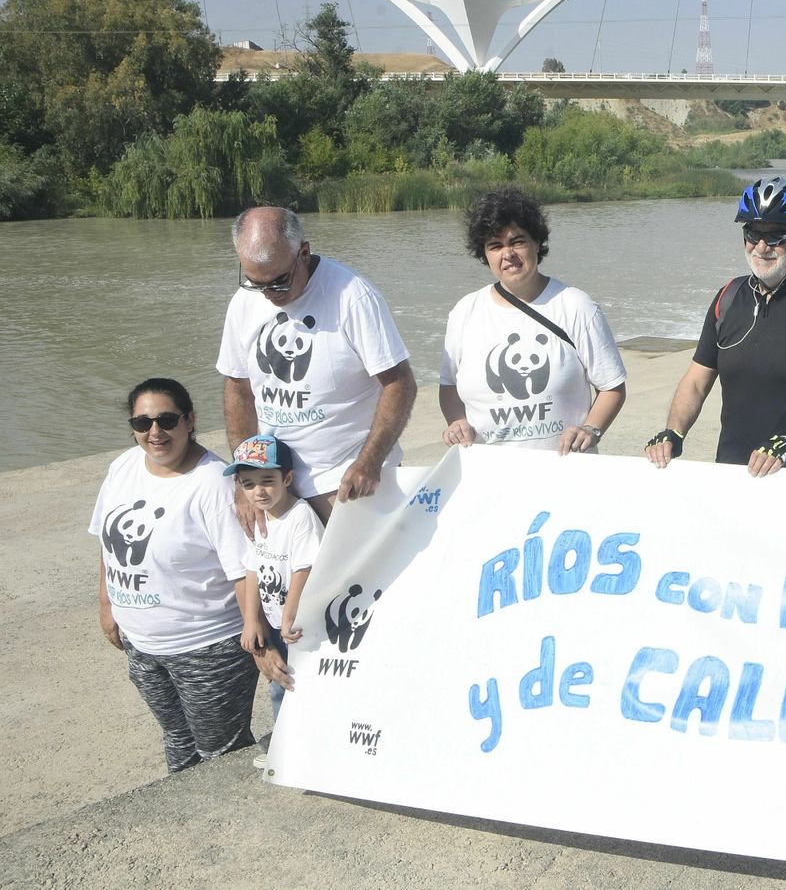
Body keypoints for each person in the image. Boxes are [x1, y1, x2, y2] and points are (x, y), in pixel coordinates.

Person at [90, 378, 259, 773]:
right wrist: (106, 603)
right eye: (142, 422)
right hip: (142, 643)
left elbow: (243, 571)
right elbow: (106, 540)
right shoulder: (123, 466)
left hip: (206, 647)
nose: (154, 432)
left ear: (189, 420)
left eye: (166, 420)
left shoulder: (214, 482)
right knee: (179, 741)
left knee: (221, 755)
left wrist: (256, 636)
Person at [645, 176, 786, 475]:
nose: (762, 246)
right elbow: (696, 382)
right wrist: (674, 431)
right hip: (732, 477)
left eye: (776, 236)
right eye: (753, 233)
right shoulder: (728, 297)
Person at [218, 207, 417, 529]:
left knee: (355, 578)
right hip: (274, 482)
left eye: (279, 282)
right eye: (256, 283)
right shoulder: (244, 301)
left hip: (343, 482)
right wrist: (244, 477)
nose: (268, 294)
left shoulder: (352, 297)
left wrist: (370, 462)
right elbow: (238, 389)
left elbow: (400, 383)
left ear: (304, 253)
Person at [439, 187, 627, 452]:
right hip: (489, 475)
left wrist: (590, 430)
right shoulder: (464, 313)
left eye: (518, 241)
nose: (508, 254)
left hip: (564, 473)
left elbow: (612, 388)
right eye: (495, 246)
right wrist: (457, 422)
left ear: (537, 243)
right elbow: (449, 385)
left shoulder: (576, 306)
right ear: (484, 255)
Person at [226, 433, 323, 768]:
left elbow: (304, 569)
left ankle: (302, 752)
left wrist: (288, 615)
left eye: (267, 481)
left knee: (300, 684)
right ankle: (286, 749)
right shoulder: (261, 518)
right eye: (249, 484)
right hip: (276, 624)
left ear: (287, 478)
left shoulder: (299, 516)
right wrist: (252, 620)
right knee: (279, 683)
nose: (259, 492)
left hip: (298, 626)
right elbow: (252, 569)